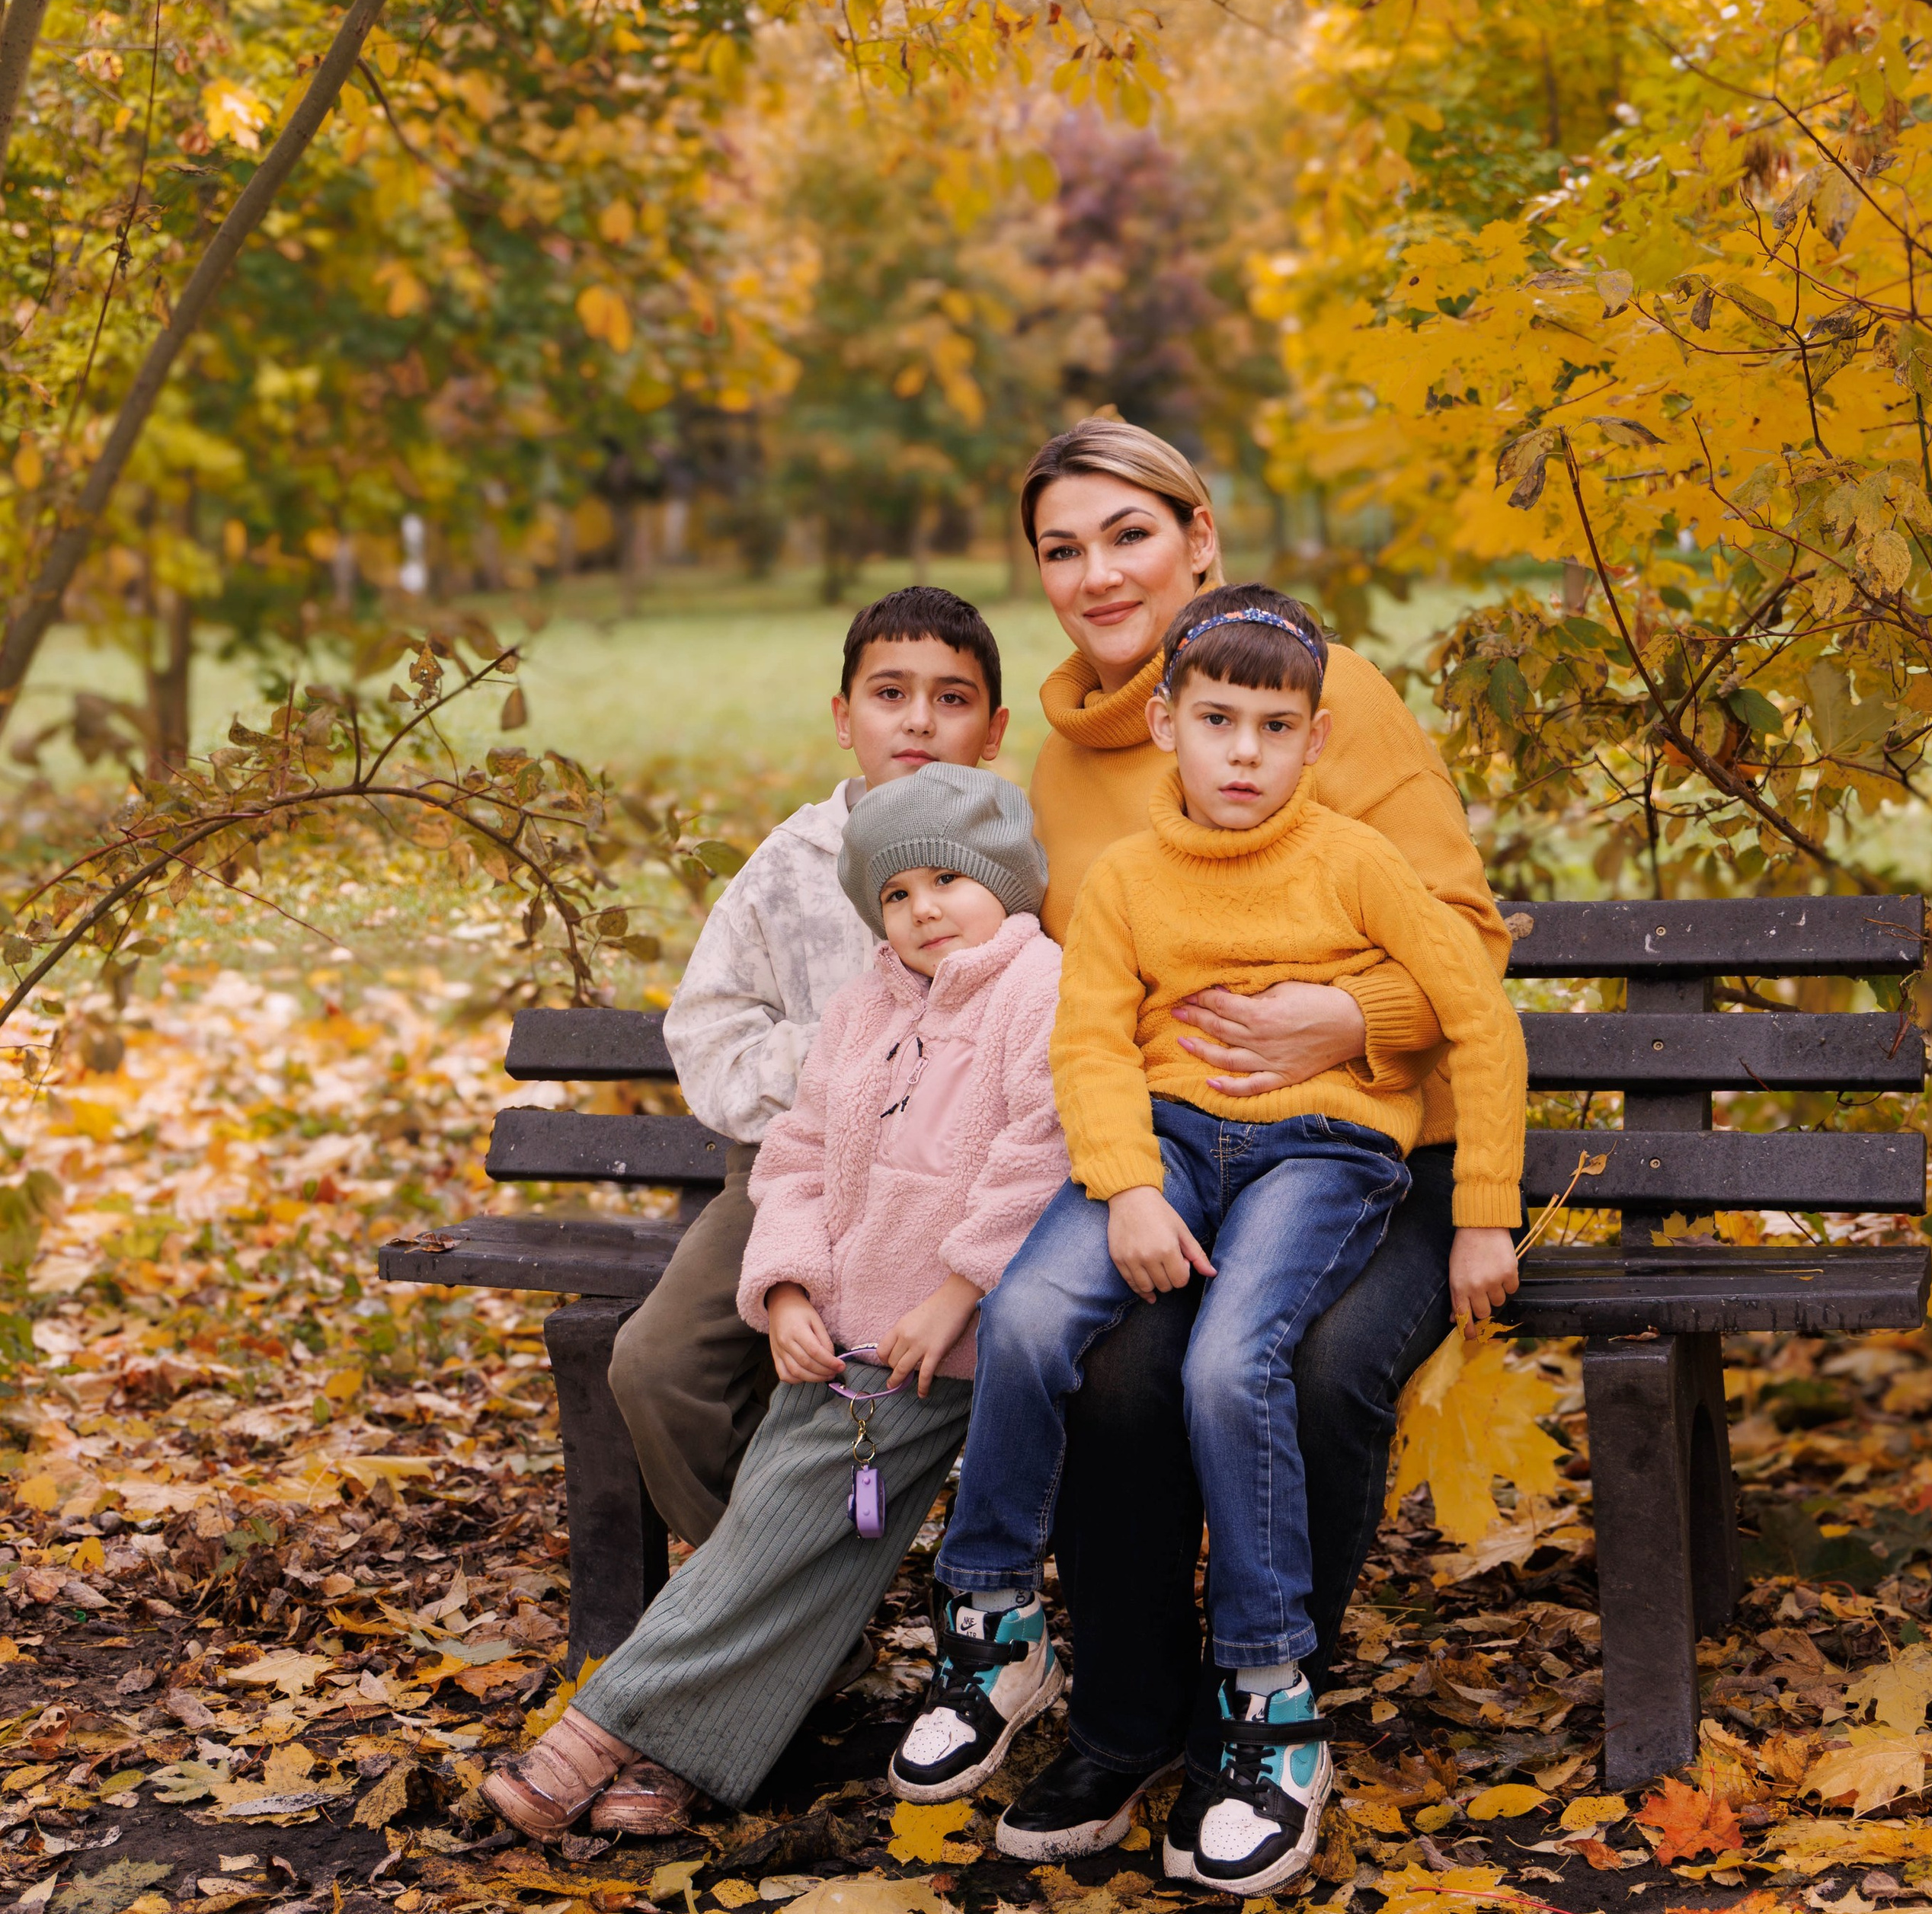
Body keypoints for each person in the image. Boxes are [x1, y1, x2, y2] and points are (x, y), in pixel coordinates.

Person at [891, 586, 1527, 1893]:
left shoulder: (1353, 860)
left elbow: (1479, 1018)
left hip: (1325, 1149)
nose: (1243, 753)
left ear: (1312, 737)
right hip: (1170, 1147)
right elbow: (1088, 1041)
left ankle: (1264, 1694)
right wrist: (1124, 1186)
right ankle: (992, 1614)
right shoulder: (1126, 875)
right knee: (1026, 1317)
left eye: (1274, 728)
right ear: (1169, 727)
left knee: (1226, 1365)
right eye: (1218, 722)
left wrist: (1481, 1216)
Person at [481, 765, 1069, 1837]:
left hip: (952, 1341)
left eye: (947, 879)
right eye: (894, 894)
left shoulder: (1037, 990)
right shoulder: (860, 1009)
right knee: (782, 1543)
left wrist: (955, 1294)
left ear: (1006, 882)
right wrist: (787, 1282)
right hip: (842, 1341)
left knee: (770, 1536)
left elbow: (1039, 1155)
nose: (922, 907)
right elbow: (792, 1159)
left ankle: (600, 1729)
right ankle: (682, 1758)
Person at [606, 586, 1008, 1563]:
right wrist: (842, 1063)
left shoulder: (1016, 856)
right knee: (655, 1366)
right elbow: (707, 1035)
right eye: (890, 694)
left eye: (952, 699)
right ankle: (777, 1593)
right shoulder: (789, 867)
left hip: (975, 1181)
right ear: (844, 718)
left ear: (994, 732)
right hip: (801, 1171)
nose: (919, 719)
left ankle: (963, 1599)